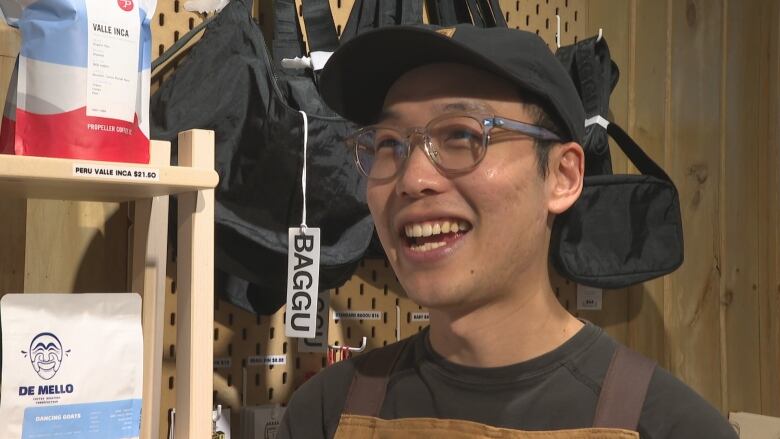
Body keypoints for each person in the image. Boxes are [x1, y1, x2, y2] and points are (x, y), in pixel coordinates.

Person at [277, 24, 738, 439]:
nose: (413, 179)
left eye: (461, 136)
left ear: (563, 176)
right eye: (388, 145)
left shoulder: (670, 426)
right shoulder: (324, 413)